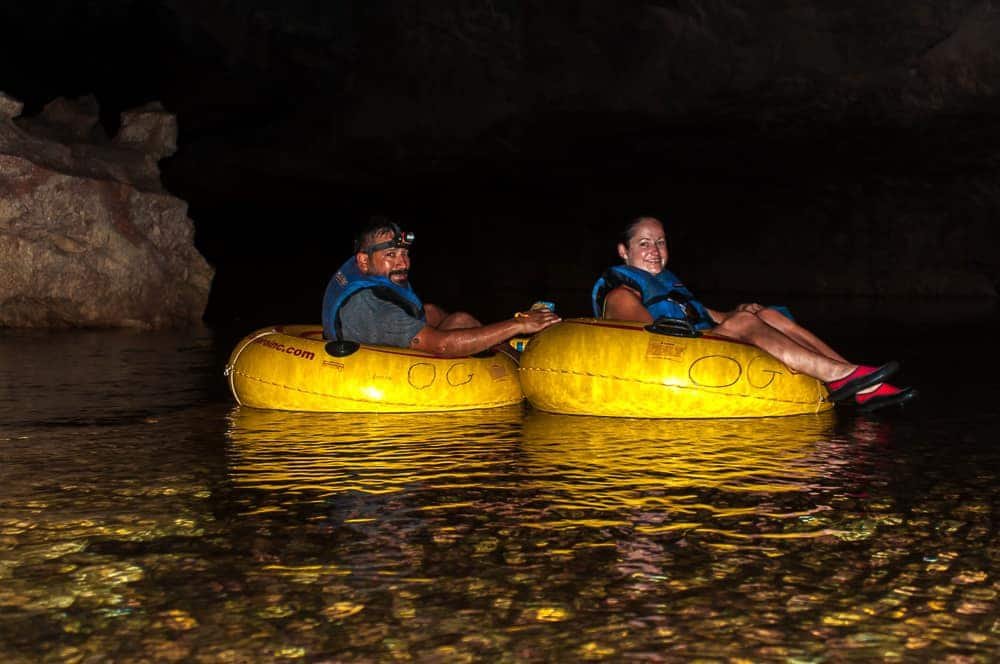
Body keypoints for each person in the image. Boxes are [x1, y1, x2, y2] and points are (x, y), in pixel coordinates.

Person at [592, 216, 917, 413]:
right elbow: (646, 338)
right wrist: (735, 322)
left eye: (661, 242)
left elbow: (707, 315)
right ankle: (840, 377)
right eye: (644, 243)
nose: (655, 250)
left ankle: (858, 383)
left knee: (767, 315)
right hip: (680, 355)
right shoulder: (621, 293)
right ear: (624, 251)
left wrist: (739, 311)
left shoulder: (666, 284)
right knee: (744, 323)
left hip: (699, 338)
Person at [323, 216, 560, 357]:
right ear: (364, 260)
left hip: (375, 335)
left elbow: (427, 313)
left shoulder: (365, 271)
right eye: (391, 255)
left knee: (435, 313)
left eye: (405, 254)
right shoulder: (372, 308)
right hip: (384, 373)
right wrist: (518, 324)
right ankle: (515, 358)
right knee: (462, 322)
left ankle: (502, 343)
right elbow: (443, 345)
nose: (403, 263)